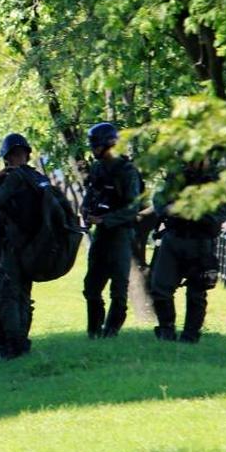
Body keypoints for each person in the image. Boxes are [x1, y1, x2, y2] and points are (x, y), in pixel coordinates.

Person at [149, 162, 226, 343]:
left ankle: (190, 336)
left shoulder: (218, 178)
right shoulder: (176, 173)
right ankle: (166, 331)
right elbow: (159, 199)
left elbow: (222, 213)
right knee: (160, 287)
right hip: (173, 237)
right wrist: (167, 209)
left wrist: (193, 213)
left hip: (200, 241)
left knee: (197, 293)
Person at [0, 133, 44, 360]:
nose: (16, 159)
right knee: (18, 297)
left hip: (11, 248)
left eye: (17, 155)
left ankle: (14, 345)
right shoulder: (37, 178)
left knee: (9, 298)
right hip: (28, 249)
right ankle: (15, 344)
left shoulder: (13, 179)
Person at [81, 122, 141, 338]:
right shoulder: (98, 168)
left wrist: (105, 220)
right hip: (102, 234)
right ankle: (93, 332)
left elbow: (133, 208)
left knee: (118, 289)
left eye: (96, 145)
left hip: (120, 234)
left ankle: (111, 333)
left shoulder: (127, 171)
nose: (93, 150)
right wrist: (85, 208)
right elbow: (92, 192)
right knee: (91, 287)